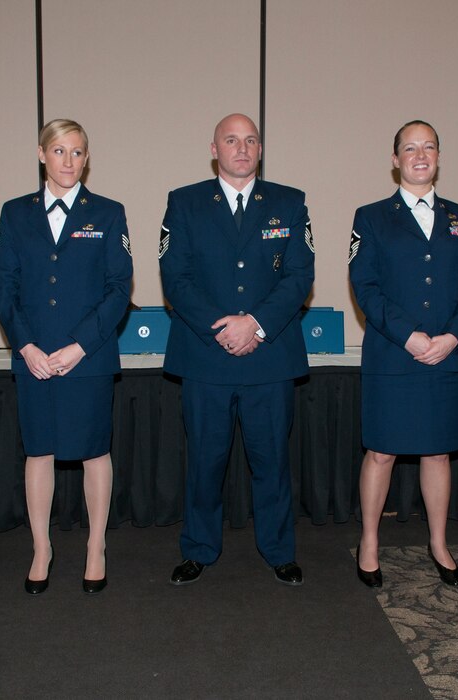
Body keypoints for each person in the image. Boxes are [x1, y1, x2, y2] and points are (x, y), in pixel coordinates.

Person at [158, 113, 314, 586]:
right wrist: (221, 329)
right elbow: (175, 278)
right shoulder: (183, 204)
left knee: (272, 463)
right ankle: (199, 549)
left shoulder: (289, 203)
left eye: (250, 140)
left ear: (260, 149)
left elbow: (299, 276)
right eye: (231, 140)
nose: (241, 148)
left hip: (270, 358)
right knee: (205, 461)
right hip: (206, 357)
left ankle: (278, 550)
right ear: (214, 149)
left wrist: (257, 325)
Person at [0, 119, 132, 595]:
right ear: (41, 155)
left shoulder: (109, 213)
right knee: (39, 451)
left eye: (77, 152)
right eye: (58, 151)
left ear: (86, 158)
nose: (68, 161)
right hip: (33, 356)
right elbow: (5, 288)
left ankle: (96, 547)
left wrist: (79, 346)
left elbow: (119, 291)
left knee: (94, 451)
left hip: (88, 357)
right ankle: (41, 548)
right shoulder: (15, 214)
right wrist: (26, 346)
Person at [348, 120, 458, 588]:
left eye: (428, 147)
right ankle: (369, 542)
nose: (420, 155)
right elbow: (365, 288)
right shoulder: (370, 217)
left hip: (446, 354)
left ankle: (439, 543)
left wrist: (452, 338)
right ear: (395, 160)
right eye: (410, 148)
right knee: (381, 452)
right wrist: (408, 336)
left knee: (438, 454)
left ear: (439, 156)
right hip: (392, 354)